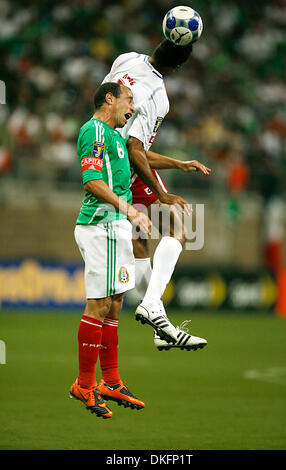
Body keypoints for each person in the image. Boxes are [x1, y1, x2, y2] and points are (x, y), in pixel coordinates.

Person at [102, 39, 210, 350]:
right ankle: (151, 305)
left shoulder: (125, 59)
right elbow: (136, 149)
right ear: (177, 66)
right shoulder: (158, 97)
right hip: (127, 166)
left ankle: (157, 325)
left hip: (103, 153)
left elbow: (120, 130)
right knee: (177, 229)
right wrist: (162, 193)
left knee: (140, 243)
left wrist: (179, 164)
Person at [69, 82, 152, 419]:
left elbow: (143, 160)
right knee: (100, 303)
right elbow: (91, 181)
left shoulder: (116, 138)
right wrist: (131, 210)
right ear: (110, 98)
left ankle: (111, 381)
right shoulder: (96, 132)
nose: (132, 108)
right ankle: (84, 384)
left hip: (117, 227)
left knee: (116, 303)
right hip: (100, 224)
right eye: (129, 100)